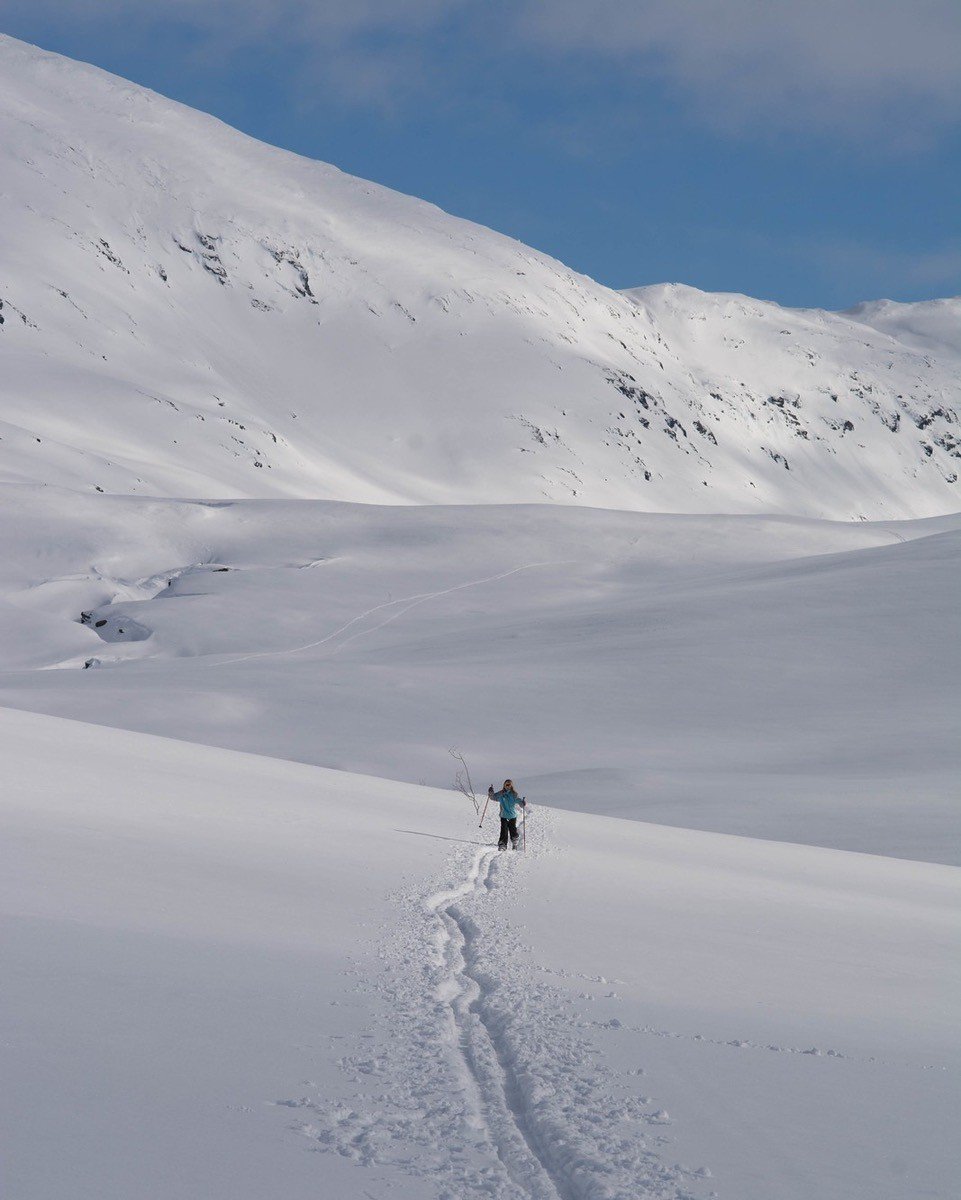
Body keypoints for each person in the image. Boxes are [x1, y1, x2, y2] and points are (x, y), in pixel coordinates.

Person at [488, 779, 527, 850]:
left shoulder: (514, 794)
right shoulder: (500, 794)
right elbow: (493, 797)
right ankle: (503, 844)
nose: (507, 786)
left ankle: (515, 840)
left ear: (511, 786)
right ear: (504, 785)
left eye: (509, 784)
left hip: (512, 816)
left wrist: (523, 803)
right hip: (504, 815)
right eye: (506, 784)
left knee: (512, 829)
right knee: (504, 830)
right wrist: (491, 792)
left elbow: (518, 801)